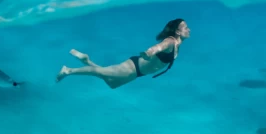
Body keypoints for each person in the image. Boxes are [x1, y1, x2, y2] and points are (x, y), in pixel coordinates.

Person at [56, 19, 190, 88]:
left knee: (111, 83)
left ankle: (87, 61)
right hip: (132, 67)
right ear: (177, 32)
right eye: (186, 28)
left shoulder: (177, 45)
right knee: (101, 72)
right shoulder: (170, 41)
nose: (189, 30)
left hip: (139, 73)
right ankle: (68, 70)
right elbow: (158, 47)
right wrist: (149, 52)